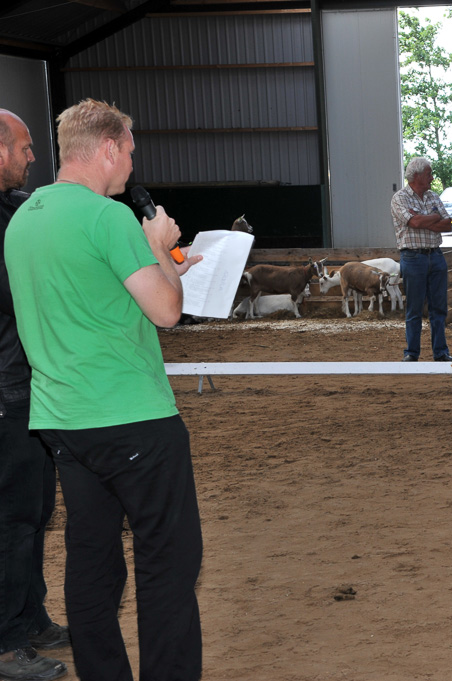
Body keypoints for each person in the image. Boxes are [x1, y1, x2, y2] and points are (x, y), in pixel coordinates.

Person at [5, 99, 205, 681]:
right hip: (133, 417)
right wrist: (157, 250)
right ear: (109, 147)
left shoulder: (25, 217)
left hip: (64, 421)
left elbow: (84, 297)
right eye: (131, 151)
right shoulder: (108, 218)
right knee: (167, 566)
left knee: (92, 564)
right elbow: (167, 313)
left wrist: (158, 265)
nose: (132, 165)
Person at [0, 110, 69, 681]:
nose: (30, 157)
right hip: (4, 389)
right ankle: (6, 644)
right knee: (12, 518)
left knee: (34, 513)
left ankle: (32, 619)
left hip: (26, 384)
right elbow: (16, 290)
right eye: (23, 147)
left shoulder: (12, 208)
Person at [391, 157, 452, 362]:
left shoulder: (433, 196)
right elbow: (416, 221)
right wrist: (433, 217)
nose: (432, 177)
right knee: (415, 308)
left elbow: (448, 224)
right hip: (413, 257)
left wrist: (423, 220)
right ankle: (412, 352)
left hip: (434, 255)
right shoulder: (399, 198)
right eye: (429, 173)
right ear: (417, 175)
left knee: (439, 307)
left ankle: (440, 352)